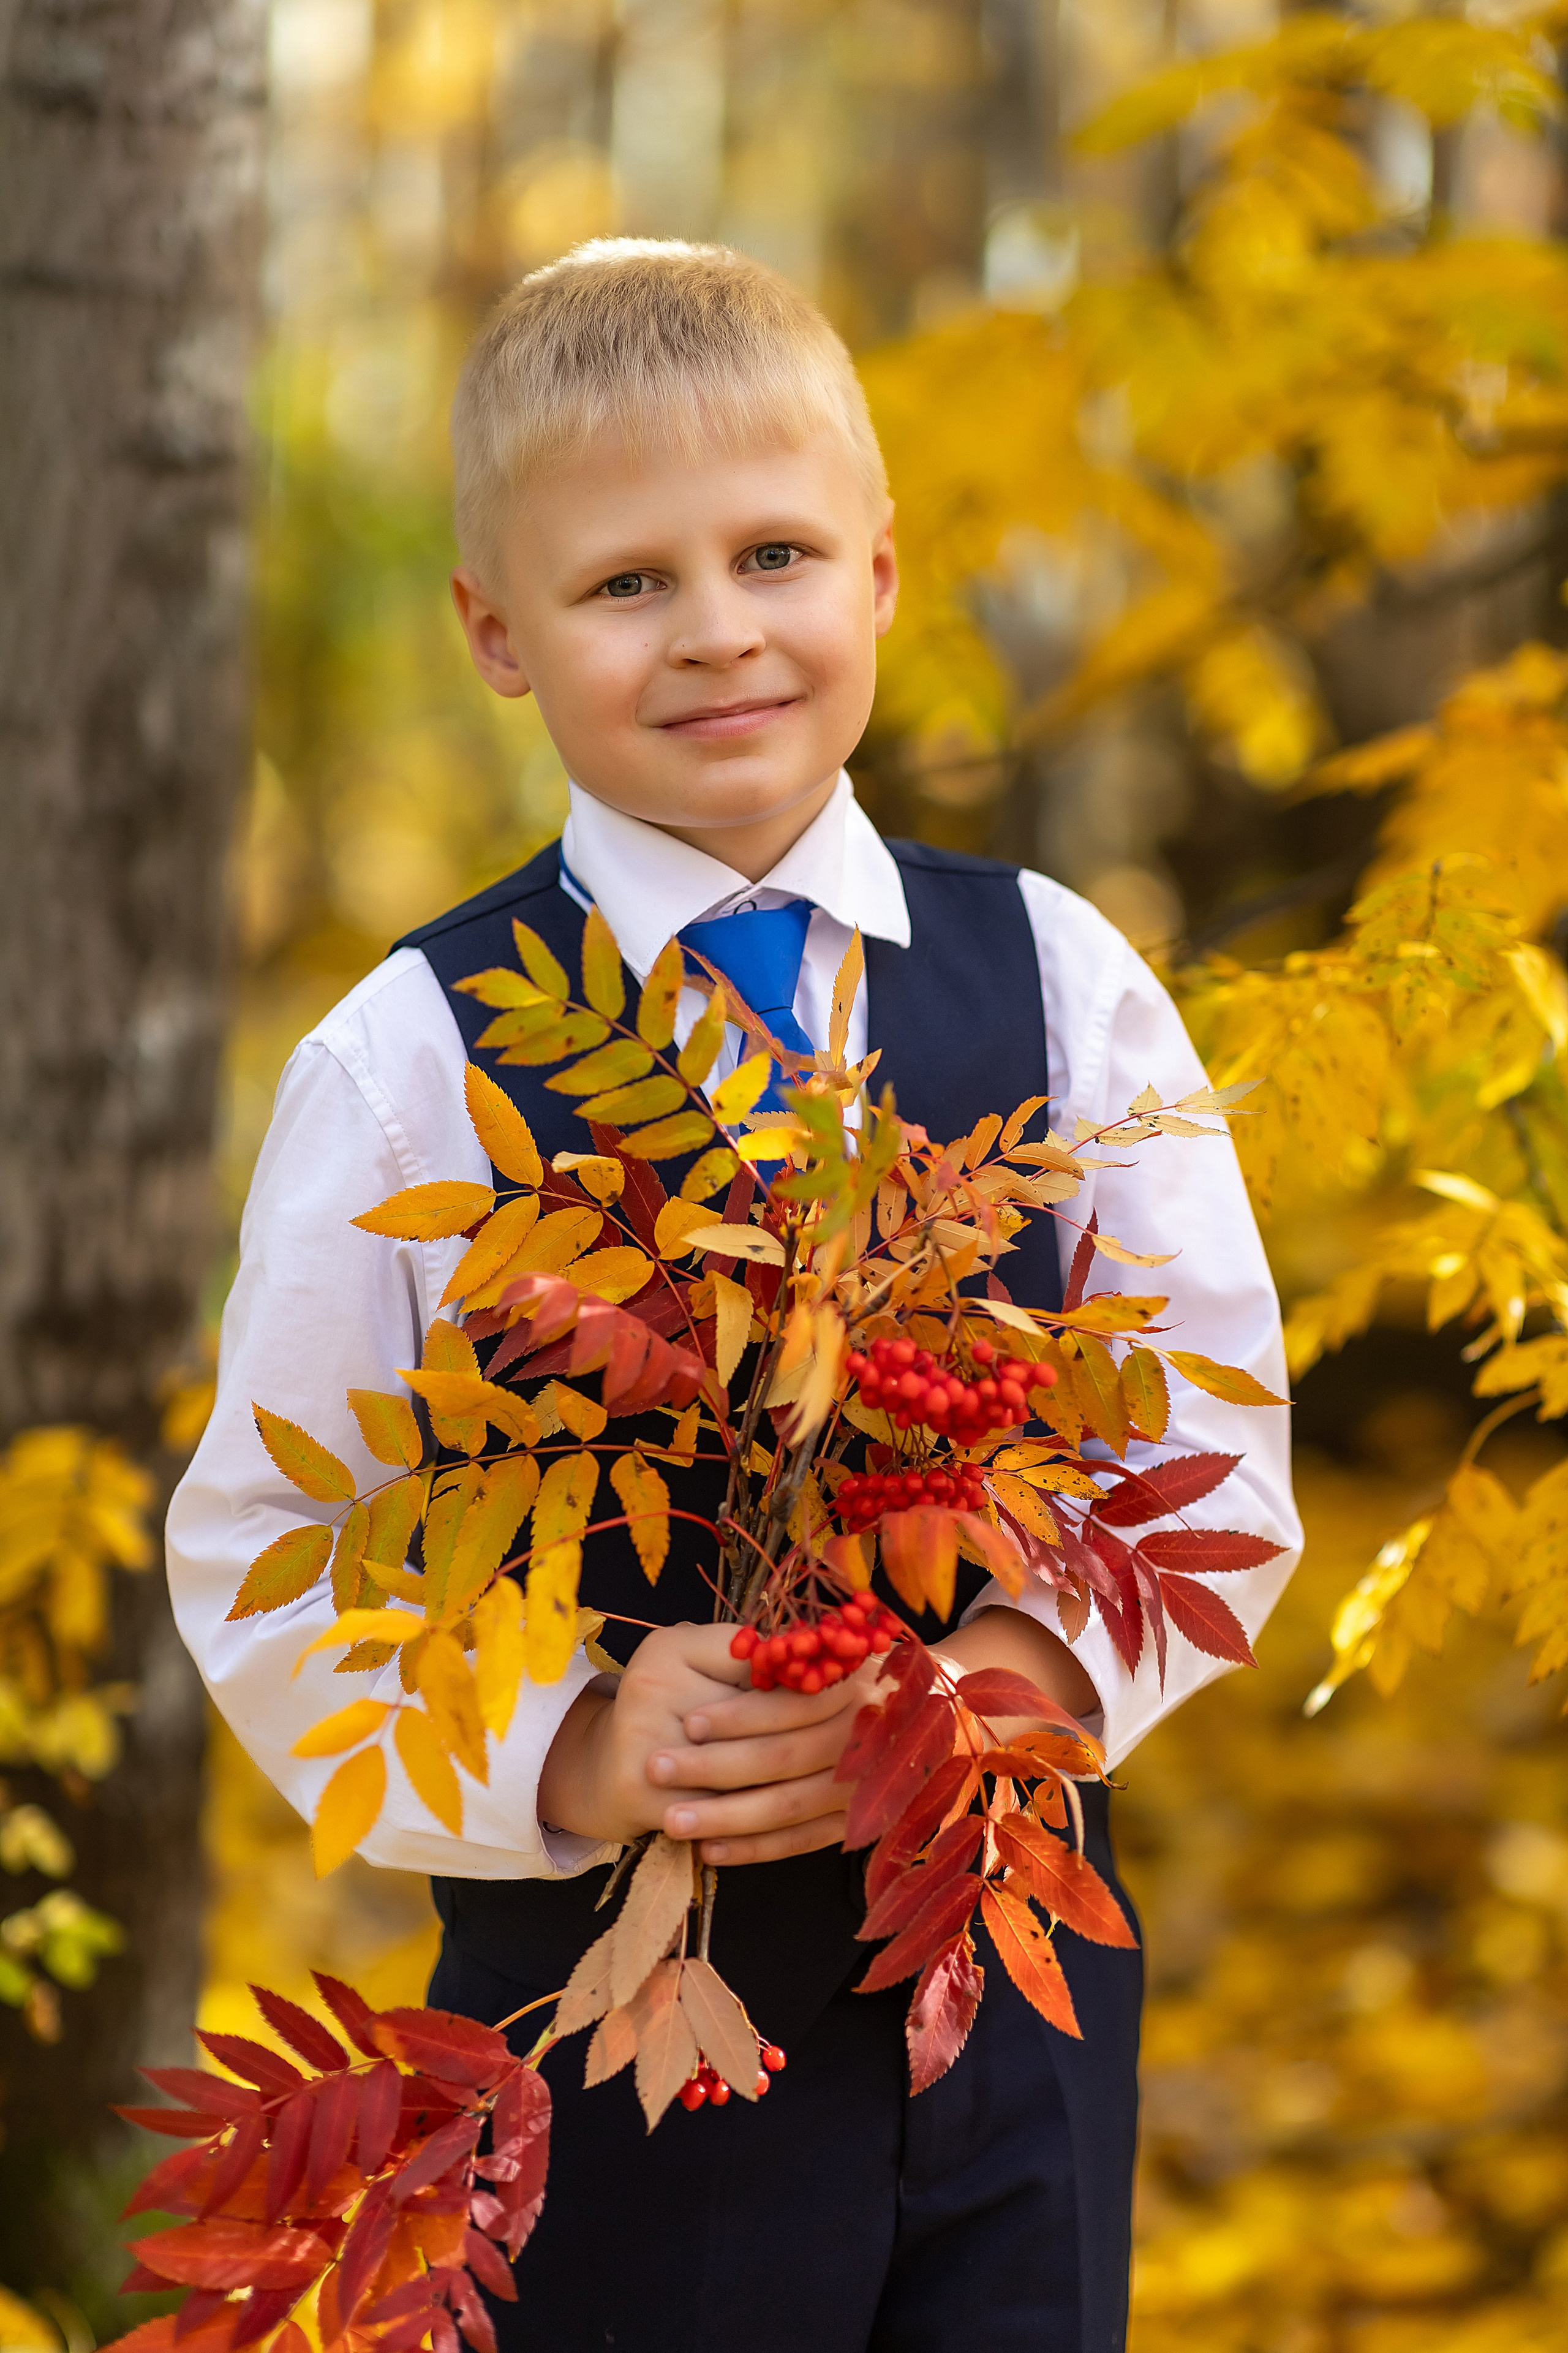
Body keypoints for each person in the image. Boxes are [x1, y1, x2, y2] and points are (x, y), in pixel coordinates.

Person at [167, 239, 1300, 2353]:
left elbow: (1209, 1435)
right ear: (497, 636)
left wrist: (1013, 1671)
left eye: (771, 552)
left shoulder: (1064, 981)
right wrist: (580, 1742)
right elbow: (262, 1554)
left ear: (880, 569)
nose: (717, 633)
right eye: (625, 585)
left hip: (1013, 2001)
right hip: (608, 2037)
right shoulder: (410, 1063)